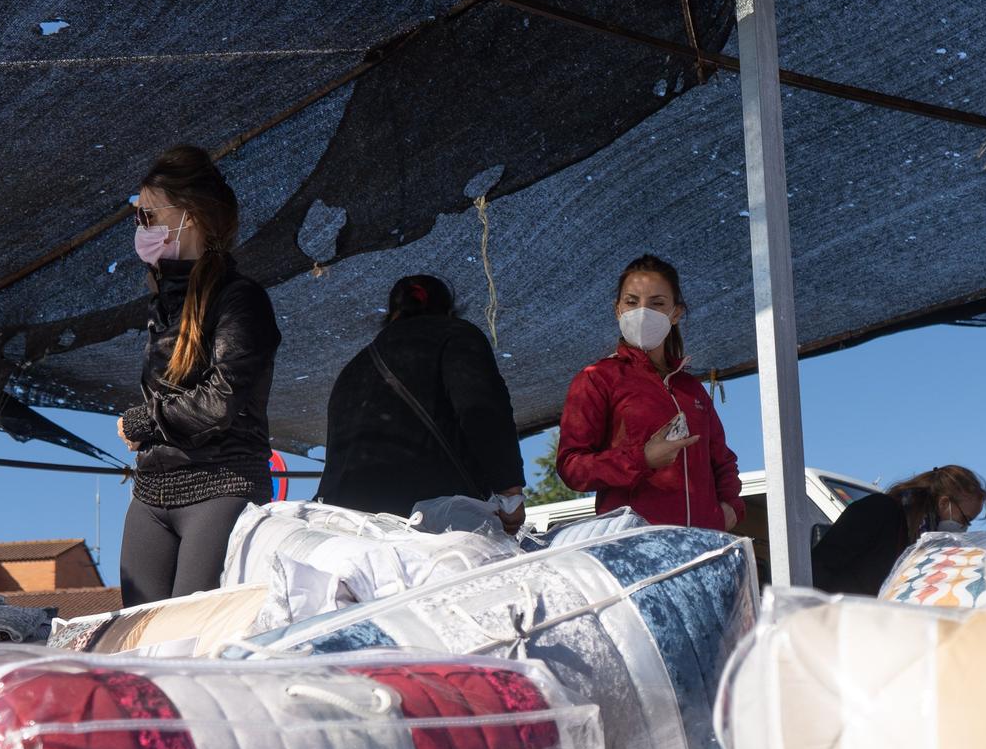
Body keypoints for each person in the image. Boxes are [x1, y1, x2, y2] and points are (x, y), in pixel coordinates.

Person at [117, 145, 282, 608]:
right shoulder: (162, 303)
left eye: (148, 215)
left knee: (191, 637)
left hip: (221, 483)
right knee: (138, 641)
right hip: (150, 493)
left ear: (188, 216)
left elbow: (220, 400)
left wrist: (143, 422)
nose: (140, 227)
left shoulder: (241, 299)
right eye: (137, 216)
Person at [315, 275, 526, 529]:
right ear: (448, 310)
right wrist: (510, 493)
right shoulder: (455, 334)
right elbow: (482, 410)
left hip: (348, 526)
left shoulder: (353, 368)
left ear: (391, 314)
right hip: (429, 523)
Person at [557, 255, 743, 530]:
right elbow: (572, 467)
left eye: (657, 303)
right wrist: (640, 459)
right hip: (634, 549)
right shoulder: (597, 378)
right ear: (618, 310)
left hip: (699, 547)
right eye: (632, 302)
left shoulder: (691, 388)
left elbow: (722, 459)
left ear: (675, 313)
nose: (642, 312)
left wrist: (731, 509)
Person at [811, 464, 986, 597]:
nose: (964, 528)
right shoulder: (880, 510)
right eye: (965, 519)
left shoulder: (923, 541)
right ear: (943, 503)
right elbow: (820, 567)